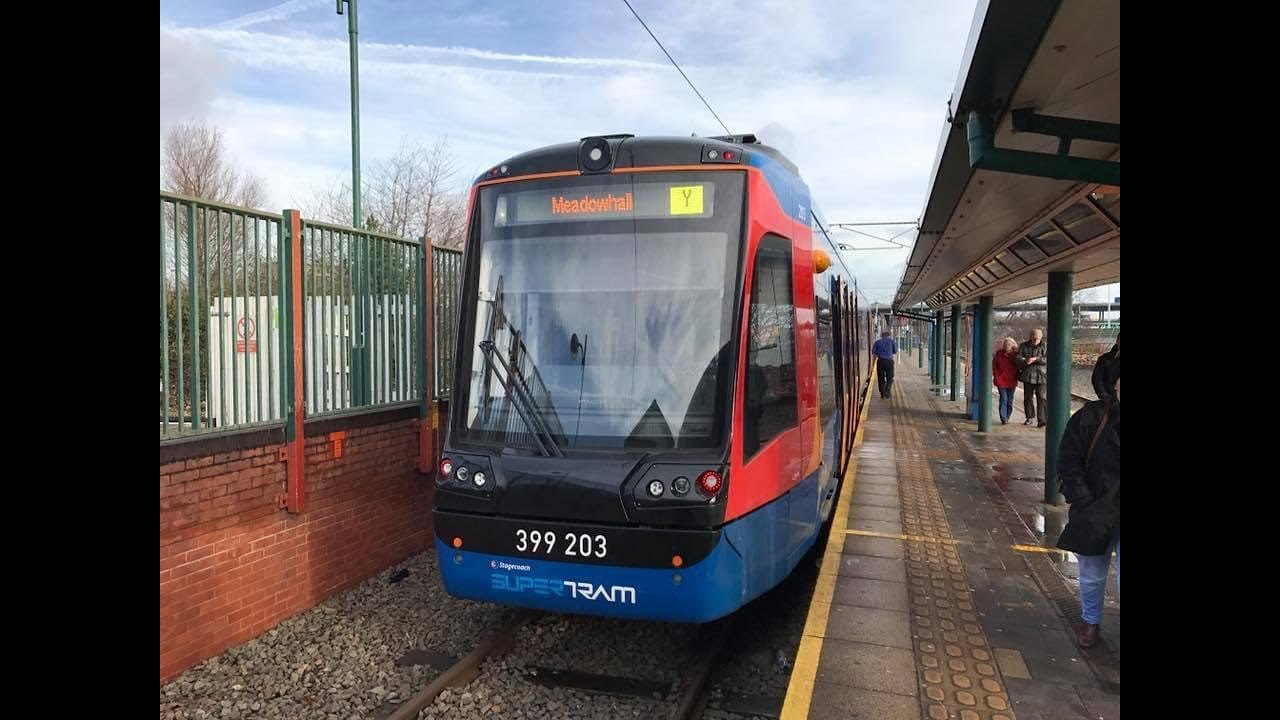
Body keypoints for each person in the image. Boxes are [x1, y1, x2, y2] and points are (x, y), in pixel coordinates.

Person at [1055, 375, 1120, 649]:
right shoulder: (1091, 417)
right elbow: (1068, 460)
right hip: (1096, 510)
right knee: (1092, 573)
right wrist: (1083, 500)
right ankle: (1090, 620)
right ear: (1116, 384)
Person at [1016, 328, 1048, 427]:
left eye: (1037, 339)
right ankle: (1029, 417)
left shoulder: (1045, 346)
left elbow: (1048, 359)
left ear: (1040, 338)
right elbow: (1017, 358)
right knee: (1027, 398)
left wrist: (1036, 359)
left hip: (1041, 376)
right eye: (1033, 339)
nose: (1035, 341)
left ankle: (1042, 419)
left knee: (1042, 398)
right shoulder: (1023, 346)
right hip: (1028, 376)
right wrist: (1025, 360)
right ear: (1030, 337)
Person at [992, 337, 1019, 424]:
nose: (1007, 346)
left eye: (1009, 344)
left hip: (1011, 381)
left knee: (1010, 400)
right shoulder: (998, 354)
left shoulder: (1015, 355)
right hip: (1001, 381)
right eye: (1006, 344)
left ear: (1013, 346)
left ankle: (1007, 416)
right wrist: (996, 377)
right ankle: (1003, 417)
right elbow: (994, 366)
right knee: (1004, 399)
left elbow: (1020, 364)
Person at [1091, 332, 1120, 402]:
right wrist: (1104, 395)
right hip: (1109, 400)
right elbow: (1097, 378)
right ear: (1117, 341)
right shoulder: (1104, 359)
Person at [871, 330, 897, 399]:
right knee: (890, 377)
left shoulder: (877, 342)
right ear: (888, 335)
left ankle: (882, 393)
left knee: (880, 377)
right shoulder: (892, 341)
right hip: (889, 361)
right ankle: (887, 391)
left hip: (880, 361)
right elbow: (895, 351)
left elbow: (873, 352)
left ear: (882, 336)